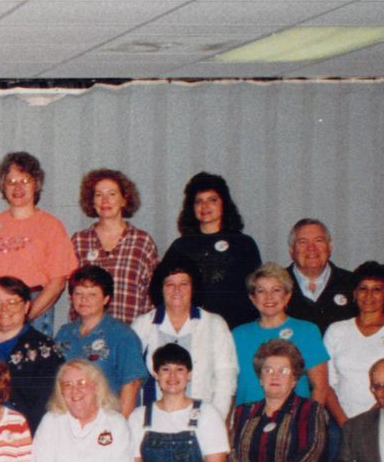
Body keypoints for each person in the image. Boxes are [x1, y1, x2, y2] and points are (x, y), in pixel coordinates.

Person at [0, 151, 76, 336]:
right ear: (3, 186)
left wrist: (27, 316)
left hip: (32, 310)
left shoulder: (51, 225)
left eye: (25, 181)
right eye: (11, 182)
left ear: (36, 184)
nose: (18, 187)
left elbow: (57, 282)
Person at [136, 258, 238, 422]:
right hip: (153, 420)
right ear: (160, 288)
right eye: (169, 284)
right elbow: (133, 380)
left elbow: (226, 378)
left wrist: (215, 422)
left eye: (184, 284)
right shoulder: (142, 325)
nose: (177, 290)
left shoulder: (214, 324)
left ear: (193, 287)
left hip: (202, 420)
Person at [158, 172, 262, 331]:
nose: (205, 206)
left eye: (212, 200)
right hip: (191, 329)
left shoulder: (244, 244)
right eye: (199, 201)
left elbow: (256, 291)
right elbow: (161, 288)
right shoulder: (181, 246)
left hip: (235, 329)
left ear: (224, 204)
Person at [324, 261, 384, 422]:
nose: (369, 296)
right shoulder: (336, 331)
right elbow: (326, 383)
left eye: (377, 290)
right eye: (363, 289)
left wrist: (365, 424)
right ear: (354, 293)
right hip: (339, 422)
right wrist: (345, 424)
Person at [232, 264, 332, 409]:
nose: (269, 297)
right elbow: (230, 387)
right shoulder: (238, 334)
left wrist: (308, 422)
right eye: (261, 291)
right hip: (246, 421)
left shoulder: (307, 331)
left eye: (276, 290)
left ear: (287, 296)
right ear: (253, 298)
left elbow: (320, 387)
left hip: (293, 421)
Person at [52, 265, 146, 417]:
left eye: (92, 294)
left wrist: (119, 427)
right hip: (68, 421)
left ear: (106, 299)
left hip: (107, 420)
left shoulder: (122, 335)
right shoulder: (64, 333)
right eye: (78, 293)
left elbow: (132, 385)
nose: (84, 299)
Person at [69, 168, 158, 325]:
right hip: (88, 333)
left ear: (124, 200)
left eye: (112, 194)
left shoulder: (142, 242)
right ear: (91, 201)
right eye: (99, 195)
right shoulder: (79, 241)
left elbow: (153, 293)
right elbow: (73, 294)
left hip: (132, 332)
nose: (105, 201)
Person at [0, 275, 62, 433]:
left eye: (12, 302)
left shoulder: (45, 350)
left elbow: (46, 407)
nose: (4, 309)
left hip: (21, 436)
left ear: (27, 306)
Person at [285, 218, 357, 330]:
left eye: (318, 240)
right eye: (303, 242)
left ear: (329, 247)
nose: (311, 248)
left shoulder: (353, 283)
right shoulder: (276, 285)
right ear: (291, 251)